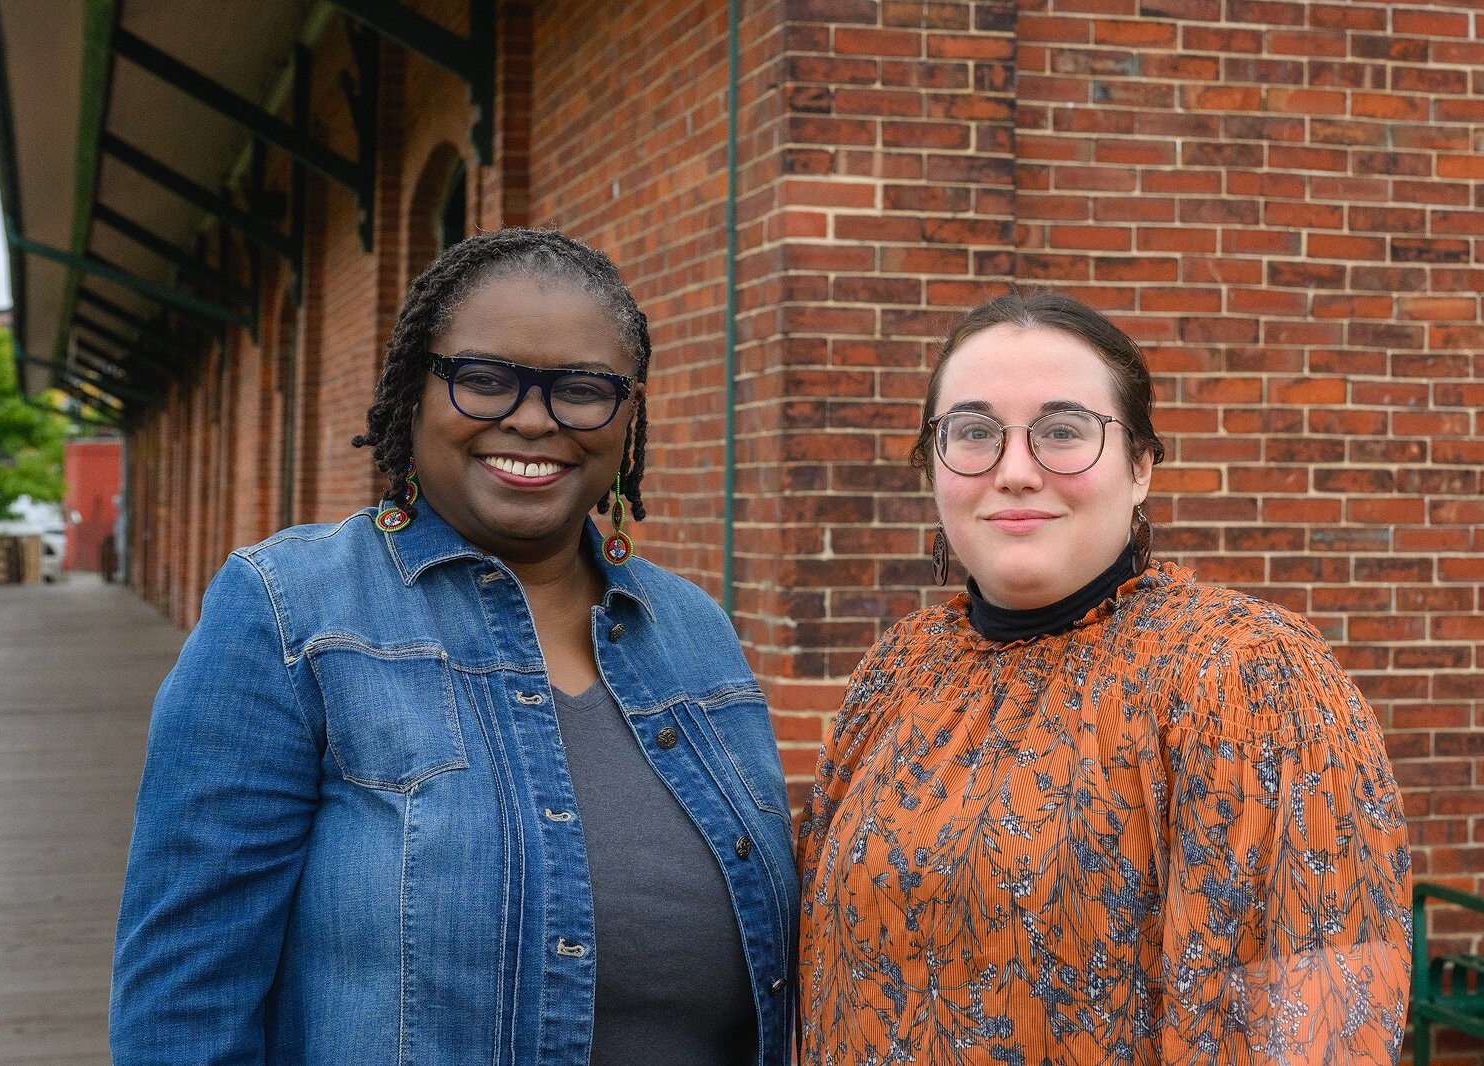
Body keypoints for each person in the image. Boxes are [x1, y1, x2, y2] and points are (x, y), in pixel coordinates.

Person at [110, 228, 797, 1065]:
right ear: (414, 391)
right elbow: (185, 1008)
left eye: (583, 389)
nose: (533, 419)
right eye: (484, 380)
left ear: (628, 415)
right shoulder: (292, 615)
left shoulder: (694, 631)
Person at [798, 291, 1410, 1064]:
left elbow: (1310, 1028)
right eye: (974, 433)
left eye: (1062, 432)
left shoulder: (1243, 677)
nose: (1015, 471)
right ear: (934, 466)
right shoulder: (897, 671)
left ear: (1141, 466)